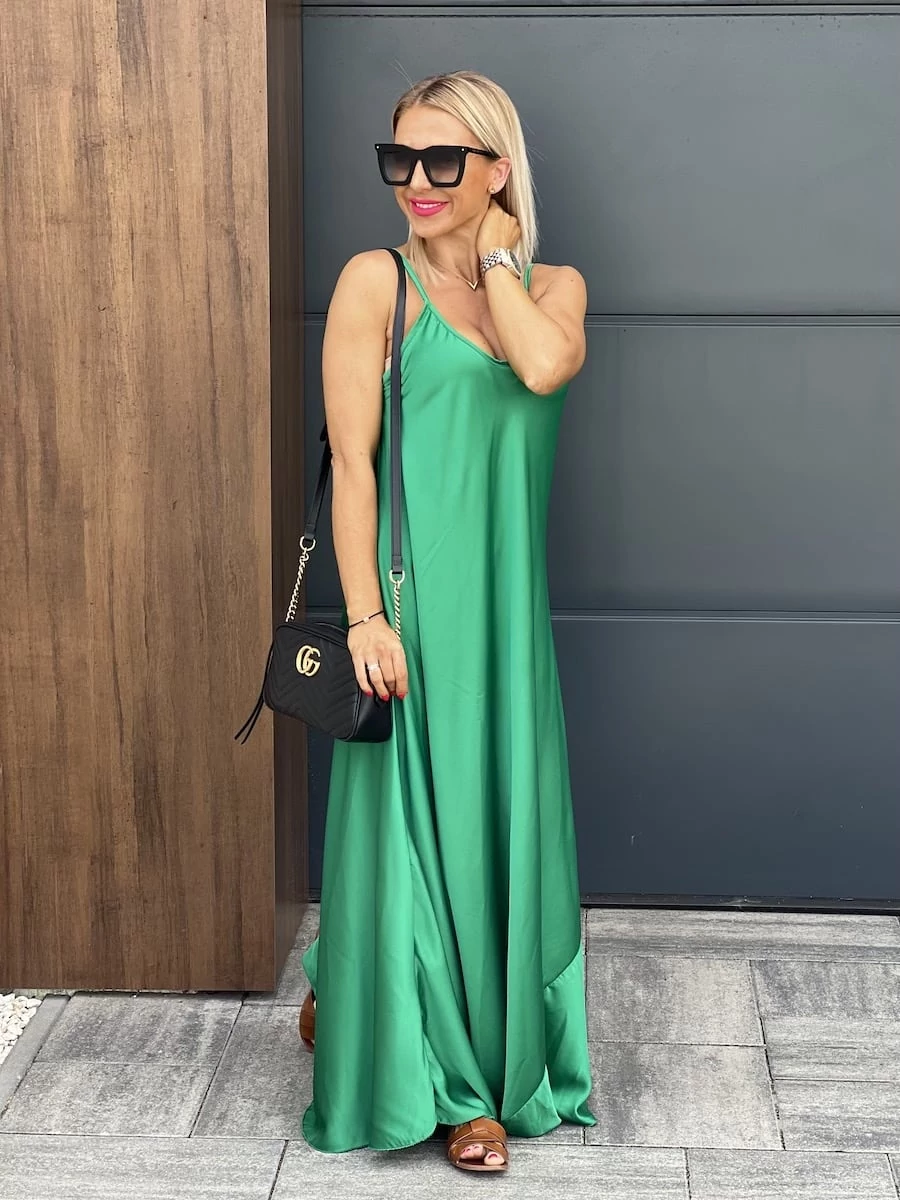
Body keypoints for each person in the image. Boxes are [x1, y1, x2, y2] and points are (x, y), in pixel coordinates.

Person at [298, 69, 597, 1172]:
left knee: (494, 834)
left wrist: (501, 264)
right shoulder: (373, 283)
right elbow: (353, 466)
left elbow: (542, 365)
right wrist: (365, 617)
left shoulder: (553, 288)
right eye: (400, 160)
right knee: (420, 841)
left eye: (442, 160)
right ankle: (463, 1094)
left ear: (496, 169)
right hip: (415, 615)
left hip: (508, 630)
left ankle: (352, 992)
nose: (416, 182)